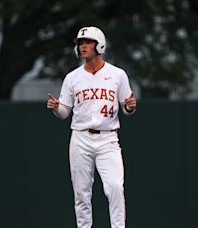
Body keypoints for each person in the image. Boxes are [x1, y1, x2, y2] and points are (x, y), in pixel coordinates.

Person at [47, 26, 137, 228]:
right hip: (80, 138)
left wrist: (130, 107)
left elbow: (127, 107)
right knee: (81, 192)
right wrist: (55, 108)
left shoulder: (117, 75)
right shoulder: (72, 78)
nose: (83, 46)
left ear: (99, 44)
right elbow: (64, 113)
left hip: (108, 138)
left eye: (87, 42)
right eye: (80, 43)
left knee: (114, 187)